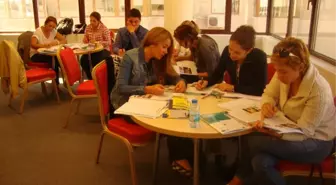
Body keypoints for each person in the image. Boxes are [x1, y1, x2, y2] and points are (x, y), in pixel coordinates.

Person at [228, 37, 336, 185]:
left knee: (254, 142)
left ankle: (238, 180)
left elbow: (305, 132)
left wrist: (274, 133)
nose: (278, 75)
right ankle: (241, 179)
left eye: (283, 72)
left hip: (316, 141)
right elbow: (269, 94)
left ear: (301, 67)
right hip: (288, 129)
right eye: (277, 70)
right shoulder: (283, 75)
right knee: (260, 162)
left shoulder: (319, 90)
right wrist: (267, 104)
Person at [111, 27, 187, 114]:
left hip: (145, 102)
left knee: (171, 113)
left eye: (167, 48)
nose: (166, 51)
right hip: (125, 103)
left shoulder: (159, 60)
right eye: (164, 47)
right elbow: (121, 88)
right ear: (152, 43)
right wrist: (147, 89)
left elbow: (173, 77)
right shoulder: (130, 56)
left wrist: (181, 82)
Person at [196, 25, 267, 96]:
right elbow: (217, 74)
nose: (231, 55)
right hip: (233, 97)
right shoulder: (226, 51)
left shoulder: (259, 57)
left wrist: (233, 88)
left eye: (237, 52)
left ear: (249, 51)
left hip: (252, 100)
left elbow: (259, 90)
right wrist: (207, 82)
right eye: (230, 49)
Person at [30, 16, 67, 85]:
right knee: (55, 60)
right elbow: (33, 44)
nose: (51, 28)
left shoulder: (53, 31)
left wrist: (57, 42)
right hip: (36, 55)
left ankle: (65, 80)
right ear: (45, 24)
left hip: (48, 53)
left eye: (53, 27)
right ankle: (56, 84)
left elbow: (64, 40)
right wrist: (44, 46)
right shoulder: (38, 32)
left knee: (61, 58)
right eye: (50, 26)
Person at [81, 11, 111, 80]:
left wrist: (97, 42)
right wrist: (85, 39)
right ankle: (91, 78)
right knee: (83, 60)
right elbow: (86, 38)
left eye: (94, 21)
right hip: (91, 50)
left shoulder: (104, 28)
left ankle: (99, 79)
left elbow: (109, 42)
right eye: (91, 20)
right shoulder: (88, 27)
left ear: (98, 21)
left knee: (96, 60)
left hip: (103, 50)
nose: (92, 22)